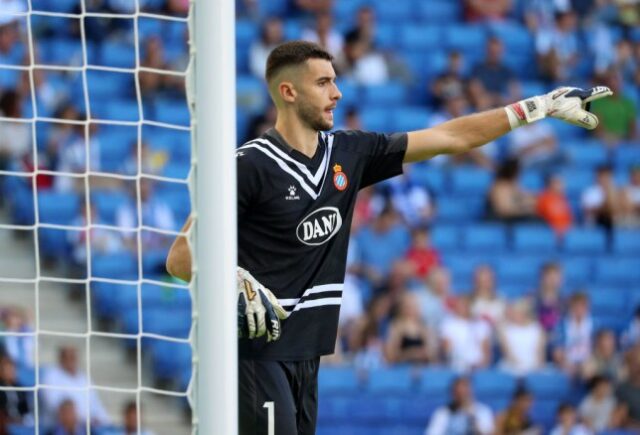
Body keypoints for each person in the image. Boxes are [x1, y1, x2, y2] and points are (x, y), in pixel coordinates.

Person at [165, 40, 612, 434]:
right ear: (288, 91)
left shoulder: (349, 152)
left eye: (335, 81)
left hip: (307, 354)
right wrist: (231, 276)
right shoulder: (247, 165)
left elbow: (449, 136)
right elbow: (179, 260)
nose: (337, 93)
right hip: (255, 356)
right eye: (323, 83)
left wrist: (536, 107)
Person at [41, 346, 110, 426]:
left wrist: (104, 421)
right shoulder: (51, 376)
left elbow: (97, 405)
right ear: (61, 358)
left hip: (89, 425)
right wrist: (80, 419)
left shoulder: (84, 378)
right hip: (60, 426)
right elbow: (53, 405)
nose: (71, 361)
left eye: (73, 357)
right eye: (68, 357)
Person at [425, 376, 495, 435]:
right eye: (458, 393)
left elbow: (487, 432)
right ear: (453, 394)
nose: (462, 396)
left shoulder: (482, 411)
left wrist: (472, 417)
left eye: (465, 392)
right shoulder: (443, 412)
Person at [440, 295, 492, 372]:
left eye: (466, 305)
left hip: (478, 368)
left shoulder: (481, 325)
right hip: (457, 366)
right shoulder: (447, 324)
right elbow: (447, 350)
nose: (463, 307)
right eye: (460, 305)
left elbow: (486, 351)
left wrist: (481, 365)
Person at [498, 300, 546, 376]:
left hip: (534, 366)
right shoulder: (504, 329)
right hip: (512, 366)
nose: (513, 315)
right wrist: (521, 367)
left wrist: (536, 367)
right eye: (513, 313)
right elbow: (508, 353)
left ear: (525, 314)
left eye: (516, 313)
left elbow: (540, 353)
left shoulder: (537, 328)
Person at [384, 292, 431, 364]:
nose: (412, 309)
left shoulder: (423, 327)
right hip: (401, 369)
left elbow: (430, 354)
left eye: (415, 306)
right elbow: (390, 356)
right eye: (409, 306)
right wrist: (409, 354)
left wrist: (424, 354)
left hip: (421, 369)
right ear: (402, 308)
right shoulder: (397, 327)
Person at [0, 355, 31, 432]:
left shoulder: (20, 388)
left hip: (21, 422)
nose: (11, 371)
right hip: (4, 424)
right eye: (7, 369)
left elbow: (25, 408)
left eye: (12, 368)